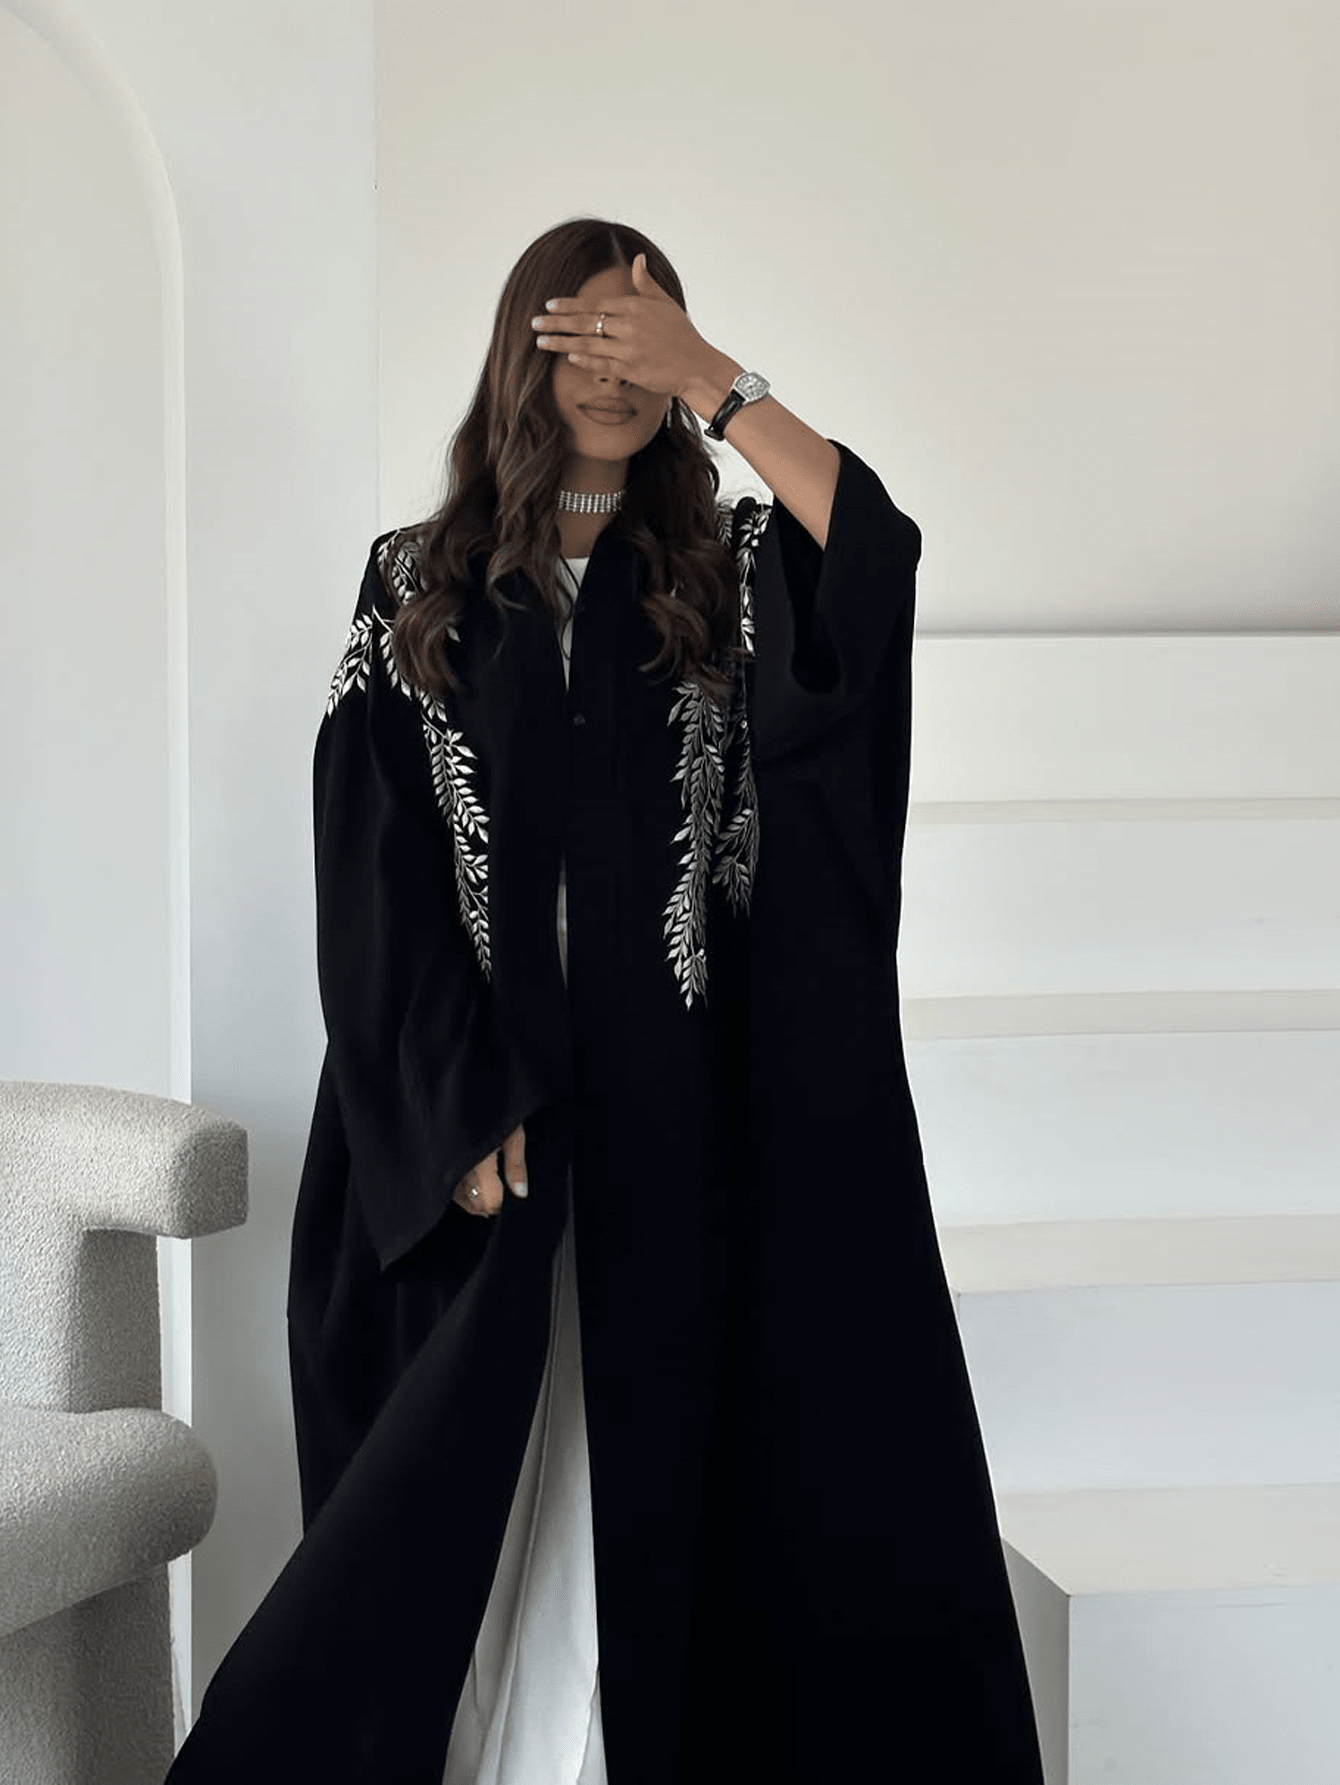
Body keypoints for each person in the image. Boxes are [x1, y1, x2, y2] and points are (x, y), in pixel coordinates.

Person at [166, 216, 1046, 1784]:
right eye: (585, 337)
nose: (616, 372)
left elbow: (878, 557)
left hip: (673, 1122)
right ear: (527, 349)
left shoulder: (728, 574)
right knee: (455, 1492)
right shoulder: (418, 582)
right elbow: (370, 860)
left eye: (645, 344)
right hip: (484, 1123)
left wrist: (720, 380)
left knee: (643, 1480)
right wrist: (449, 1101)